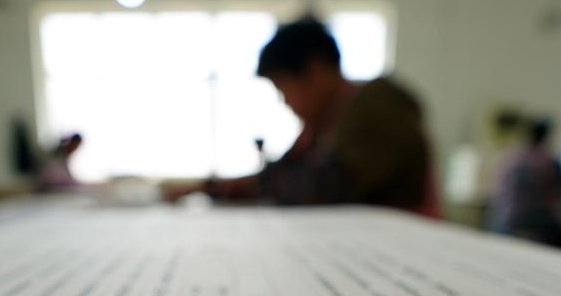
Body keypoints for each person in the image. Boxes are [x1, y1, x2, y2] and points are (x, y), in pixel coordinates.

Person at [187, 17, 438, 216]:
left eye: (283, 89)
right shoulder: (321, 125)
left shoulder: (379, 105)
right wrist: (221, 187)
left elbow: (326, 187)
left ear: (316, 71)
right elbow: (278, 177)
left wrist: (255, 184)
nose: (286, 102)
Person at [488, 118, 561, 249]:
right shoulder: (550, 161)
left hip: (503, 220)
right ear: (546, 136)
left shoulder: (509, 158)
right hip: (536, 222)